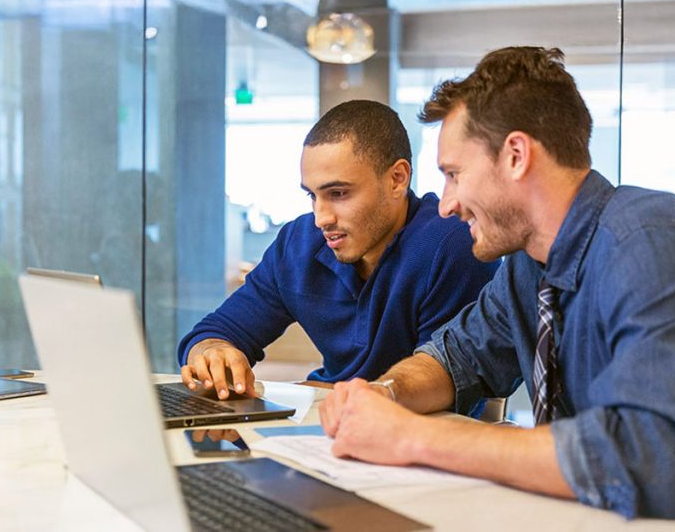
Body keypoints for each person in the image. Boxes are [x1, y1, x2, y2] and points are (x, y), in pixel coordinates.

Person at [319, 47, 675, 530]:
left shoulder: (654, 250)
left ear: (516, 155)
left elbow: (652, 465)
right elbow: (457, 357)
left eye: (455, 174)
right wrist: (382, 397)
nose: (444, 203)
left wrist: (412, 437)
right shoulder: (529, 267)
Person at [178, 100, 499, 400]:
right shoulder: (299, 243)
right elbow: (216, 331)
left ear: (397, 179)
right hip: (325, 420)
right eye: (313, 196)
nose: (321, 218)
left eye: (339, 193)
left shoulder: (451, 244)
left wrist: (342, 398)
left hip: (412, 434)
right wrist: (212, 352)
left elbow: (448, 379)